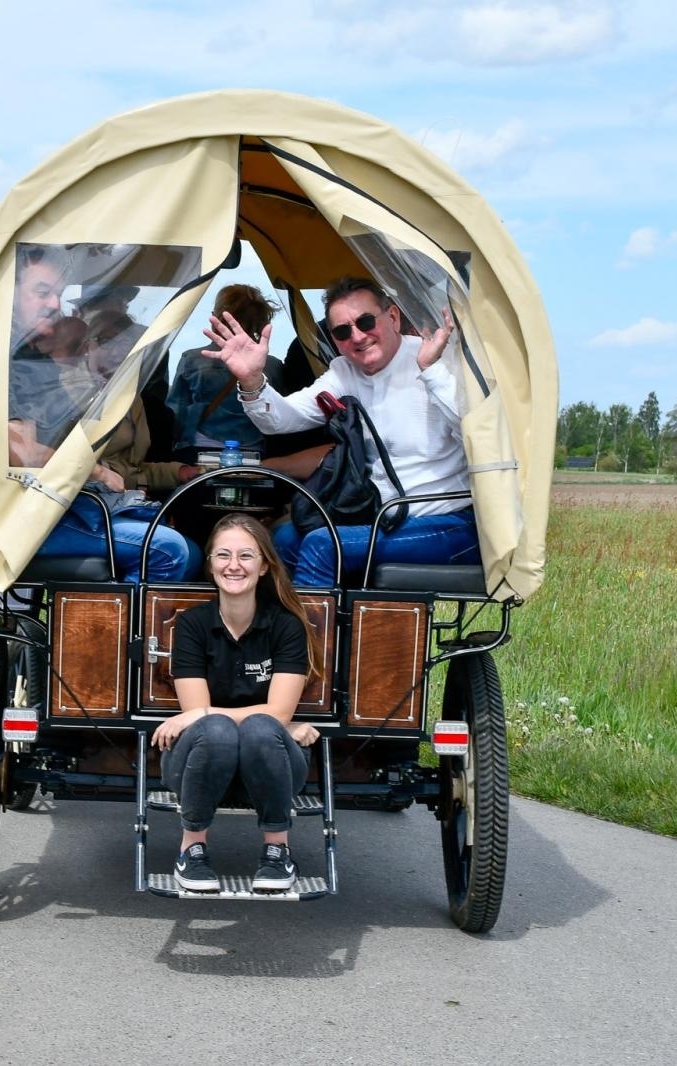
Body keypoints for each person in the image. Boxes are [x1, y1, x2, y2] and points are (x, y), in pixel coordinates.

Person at [206, 276, 476, 587]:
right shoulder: (344, 372)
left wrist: (431, 371)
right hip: (381, 517)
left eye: (365, 321)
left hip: (448, 522)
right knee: (281, 540)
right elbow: (282, 419)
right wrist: (253, 380)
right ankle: (331, 627)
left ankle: (306, 636)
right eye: (343, 331)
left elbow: (475, 436)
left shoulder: (435, 359)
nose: (358, 336)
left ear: (392, 317)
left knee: (323, 546)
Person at [150, 514, 322, 893]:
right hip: (202, 764)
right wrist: (279, 724)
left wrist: (203, 713)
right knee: (216, 731)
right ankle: (191, 850)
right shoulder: (192, 625)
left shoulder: (287, 626)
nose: (234, 565)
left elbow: (275, 714)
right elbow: (203, 721)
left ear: (264, 566)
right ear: (210, 564)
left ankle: (278, 854)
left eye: (246, 556)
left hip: (270, 766)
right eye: (223, 555)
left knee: (261, 729)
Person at [167, 285, 283, 458]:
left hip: (199, 449)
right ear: (260, 320)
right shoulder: (273, 366)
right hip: (254, 451)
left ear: (216, 318)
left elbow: (175, 411)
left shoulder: (192, 358)